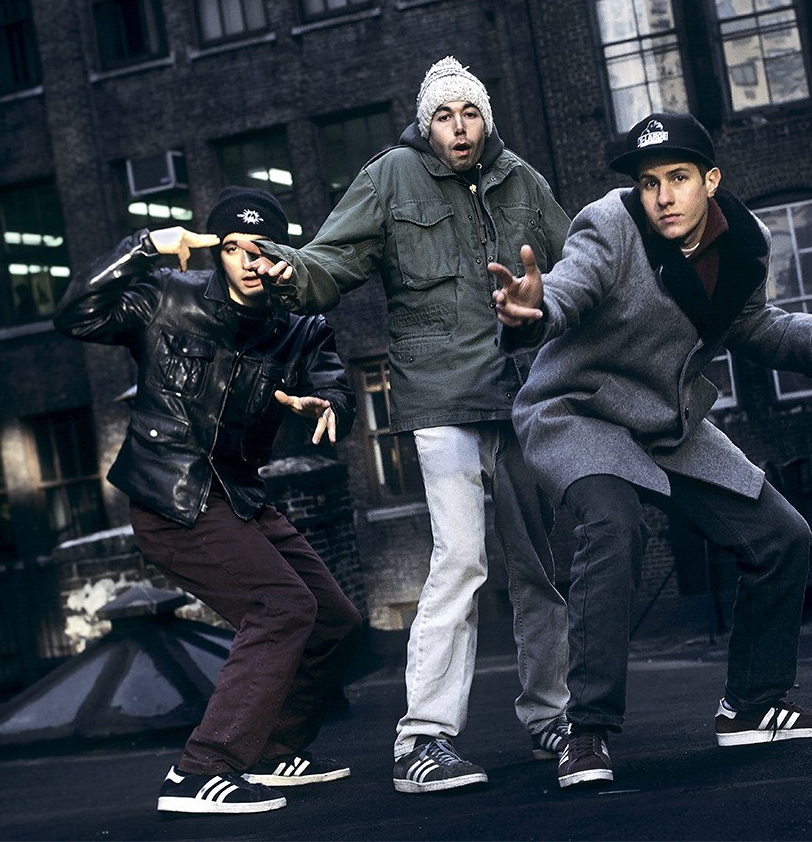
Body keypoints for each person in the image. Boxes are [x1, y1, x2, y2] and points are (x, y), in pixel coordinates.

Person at [488, 112, 812, 789]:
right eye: (650, 182)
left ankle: (752, 704)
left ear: (710, 181)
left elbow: (754, 324)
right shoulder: (610, 225)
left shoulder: (746, 240)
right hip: (580, 411)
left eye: (678, 178)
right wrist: (533, 310)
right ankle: (586, 729)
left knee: (782, 536)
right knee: (613, 522)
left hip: (666, 423)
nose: (663, 196)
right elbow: (568, 289)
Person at [241, 57, 572, 793]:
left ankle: (552, 715)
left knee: (540, 567)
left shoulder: (521, 180)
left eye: (470, 113)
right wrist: (288, 269)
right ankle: (422, 739)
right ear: (428, 125)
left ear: (486, 120)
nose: (459, 128)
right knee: (462, 559)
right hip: (440, 398)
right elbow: (331, 258)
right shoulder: (392, 176)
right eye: (445, 116)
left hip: (521, 395)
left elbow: (581, 265)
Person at [53, 187, 362, 815]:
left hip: (240, 496)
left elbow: (334, 384)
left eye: (261, 248)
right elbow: (75, 316)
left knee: (333, 619)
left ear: (282, 253)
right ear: (216, 254)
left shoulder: (299, 327)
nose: (248, 261)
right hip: (172, 498)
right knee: (280, 607)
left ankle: (275, 750)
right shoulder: (167, 297)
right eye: (232, 248)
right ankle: (201, 770)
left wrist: (329, 404)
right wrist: (142, 248)